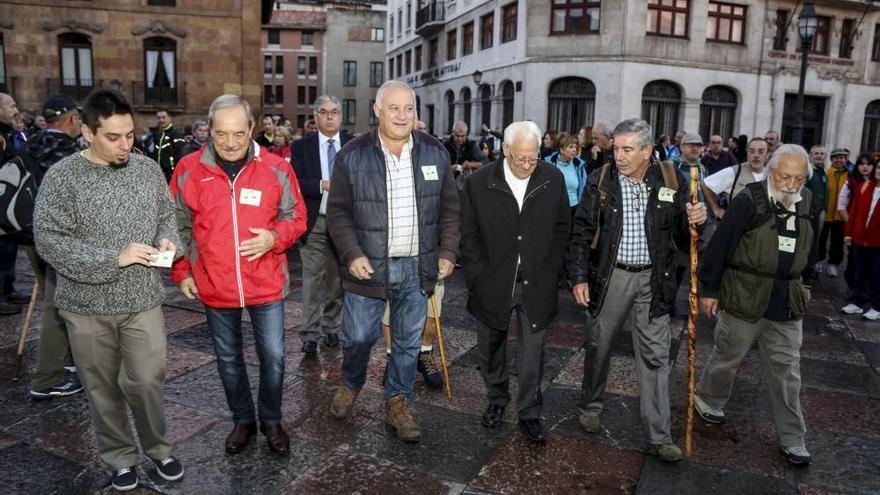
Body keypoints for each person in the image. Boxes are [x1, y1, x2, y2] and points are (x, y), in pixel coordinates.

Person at [33, 88, 184, 491]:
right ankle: (120, 457)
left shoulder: (146, 170)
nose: (125, 145)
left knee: (149, 379)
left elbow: (167, 218)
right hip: (85, 305)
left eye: (130, 135)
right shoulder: (62, 176)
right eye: (113, 137)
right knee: (101, 388)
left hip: (141, 299)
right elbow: (48, 239)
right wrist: (112, 257)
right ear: (86, 132)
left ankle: (158, 449)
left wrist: (170, 241)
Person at [170, 94, 307, 456]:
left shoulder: (277, 167)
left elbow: (297, 217)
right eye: (220, 134)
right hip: (214, 284)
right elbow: (176, 224)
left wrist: (274, 238)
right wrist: (182, 269)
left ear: (251, 129)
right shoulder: (187, 169)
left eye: (238, 134)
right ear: (208, 132)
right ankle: (243, 420)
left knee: (274, 357)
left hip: (265, 283)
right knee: (228, 360)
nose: (229, 143)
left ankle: (272, 420)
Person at [326, 80, 460, 443]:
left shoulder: (436, 152)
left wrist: (447, 251)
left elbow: (450, 209)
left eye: (408, 109)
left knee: (407, 341)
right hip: (367, 269)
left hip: (418, 267)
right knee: (357, 337)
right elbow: (337, 214)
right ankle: (351, 382)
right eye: (394, 108)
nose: (402, 115)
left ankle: (397, 401)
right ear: (377, 110)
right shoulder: (352, 155)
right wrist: (352, 254)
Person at [568, 118, 707, 463]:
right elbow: (582, 231)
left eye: (627, 149)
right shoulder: (600, 179)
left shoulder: (671, 178)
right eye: (616, 148)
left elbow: (682, 232)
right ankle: (590, 405)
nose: (619, 155)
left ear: (647, 151)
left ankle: (659, 436)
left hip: (654, 280)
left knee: (656, 357)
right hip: (610, 277)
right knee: (599, 346)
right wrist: (579, 277)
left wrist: (696, 218)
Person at [695, 144, 818, 467]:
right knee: (727, 356)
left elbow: (811, 246)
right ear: (772, 171)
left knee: (787, 372)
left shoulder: (809, 201)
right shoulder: (748, 200)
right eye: (785, 176)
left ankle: (793, 437)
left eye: (798, 178)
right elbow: (721, 245)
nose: (791, 185)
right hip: (745, 294)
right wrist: (709, 289)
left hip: (786, 302)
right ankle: (708, 399)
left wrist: (806, 283)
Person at [460, 121, 570, 442]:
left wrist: (552, 272)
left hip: (537, 281)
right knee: (490, 346)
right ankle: (496, 399)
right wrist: (477, 277)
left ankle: (530, 411)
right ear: (505, 150)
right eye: (520, 158)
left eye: (533, 157)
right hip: (492, 280)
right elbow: (469, 237)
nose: (527, 165)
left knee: (533, 350)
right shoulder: (479, 182)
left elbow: (563, 230)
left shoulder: (552, 179)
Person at [25, 95, 85, 400]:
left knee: (59, 303)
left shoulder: (29, 144)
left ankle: (71, 367)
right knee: (59, 307)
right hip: (60, 240)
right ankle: (48, 379)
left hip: (29, 237)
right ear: (72, 119)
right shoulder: (69, 152)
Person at [291, 95, 352, 356]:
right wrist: (320, 184)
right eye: (324, 112)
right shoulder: (302, 147)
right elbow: (295, 182)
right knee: (313, 279)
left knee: (337, 280)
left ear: (341, 116)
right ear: (316, 117)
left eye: (335, 112)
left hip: (344, 223)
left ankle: (330, 328)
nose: (330, 117)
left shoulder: (352, 145)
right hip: (315, 221)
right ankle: (309, 334)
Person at [841, 157, 880, 320]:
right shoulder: (865, 186)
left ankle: (877, 306)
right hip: (859, 239)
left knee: (877, 274)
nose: (879, 171)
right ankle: (857, 302)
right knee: (859, 272)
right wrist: (849, 233)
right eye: (878, 168)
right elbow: (855, 211)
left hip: (877, 242)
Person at [702, 137, 769, 219]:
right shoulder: (734, 172)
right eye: (752, 151)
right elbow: (705, 184)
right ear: (747, 153)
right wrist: (716, 209)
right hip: (737, 227)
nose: (756, 155)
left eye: (761, 152)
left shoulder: (772, 175)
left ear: (767, 155)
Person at [0, 92, 25, 315]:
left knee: (9, 247)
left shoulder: (9, 133)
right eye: (11, 106)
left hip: (8, 199)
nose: (15, 110)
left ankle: (8, 289)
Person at [838, 153, 876, 289]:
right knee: (853, 263)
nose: (865, 167)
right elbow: (841, 206)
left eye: (869, 164)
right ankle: (853, 289)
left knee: (872, 264)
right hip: (854, 230)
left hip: (873, 233)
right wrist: (852, 225)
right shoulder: (851, 181)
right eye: (862, 164)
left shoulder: (876, 184)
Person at [817, 148, 849, 277]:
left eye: (841, 157)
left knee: (837, 240)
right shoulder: (826, 172)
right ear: (831, 159)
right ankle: (818, 260)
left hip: (840, 214)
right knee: (821, 239)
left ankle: (833, 265)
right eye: (836, 157)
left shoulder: (849, 174)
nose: (839, 160)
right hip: (826, 213)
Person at [546, 131, 588, 219]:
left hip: (574, 209)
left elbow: (585, 188)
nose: (574, 150)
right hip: (555, 210)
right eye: (570, 147)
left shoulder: (579, 165)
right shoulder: (549, 164)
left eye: (575, 147)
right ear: (561, 150)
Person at [444, 121, 489, 190]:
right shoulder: (444, 145)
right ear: (452, 133)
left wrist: (471, 164)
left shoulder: (472, 145)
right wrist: (449, 169)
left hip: (465, 184)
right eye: (457, 135)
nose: (460, 139)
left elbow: (486, 161)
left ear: (466, 134)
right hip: (448, 184)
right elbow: (437, 165)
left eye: (463, 136)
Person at [149, 109, 185, 182]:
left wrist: (175, 172)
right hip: (158, 173)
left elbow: (180, 155)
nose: (161, 120)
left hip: (171, 174)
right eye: (159, 118)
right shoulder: (157, 134)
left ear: (169, 118)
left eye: (163, 117)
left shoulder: (176, 134)